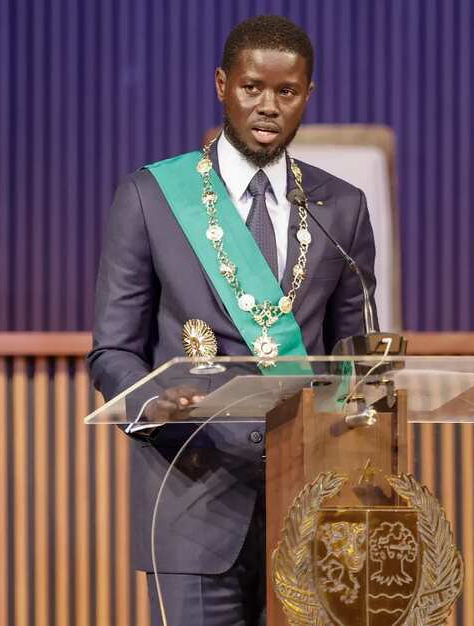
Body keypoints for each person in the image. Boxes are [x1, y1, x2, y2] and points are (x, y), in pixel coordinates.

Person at [88, 14, 377, 626]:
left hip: (312, 505)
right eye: (252, 88)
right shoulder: (151, 197)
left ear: (308, 95)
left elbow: (355, 353)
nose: (268, 106)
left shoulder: (342, 208)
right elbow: (112, 350)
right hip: (191, 494)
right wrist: (151, 402)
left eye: (287, 92)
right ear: (222, 85)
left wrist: (372, 386)